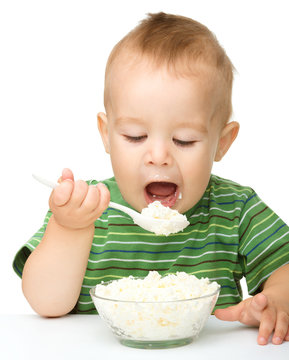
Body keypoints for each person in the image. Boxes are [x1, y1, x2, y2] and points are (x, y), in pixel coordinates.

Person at [13, 12, 289, 345]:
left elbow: (284, 269)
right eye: (134, 135)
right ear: (106, 134)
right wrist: (69, 230)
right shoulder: (84, 210)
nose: (158, 156)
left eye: (184, 140)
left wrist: (276, 300)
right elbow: (46, 304)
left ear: (222, 142)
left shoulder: (237, 211)